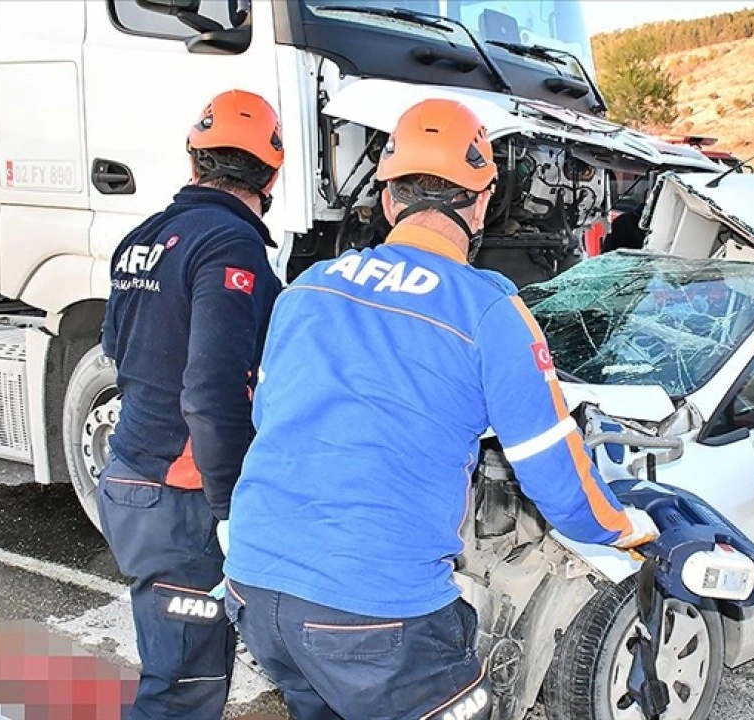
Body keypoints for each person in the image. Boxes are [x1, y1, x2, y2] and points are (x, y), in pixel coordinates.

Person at [220, 99, 658, 720]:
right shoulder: (487, 311)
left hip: (256, 586)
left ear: (390, 200)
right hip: (374, 613)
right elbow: (554, 473)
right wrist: (623, 529)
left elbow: (271, 417)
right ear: (480, 204)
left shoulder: (309, 287)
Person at [99, 89, 284, 720]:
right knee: (182, 690)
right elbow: (211, 390)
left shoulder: (140, 239)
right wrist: (231, 509)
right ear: (271, 174)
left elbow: (116, 348)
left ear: (193, 159)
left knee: (178, 673)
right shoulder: (231, 247)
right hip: (182, 497)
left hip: (132, 481)